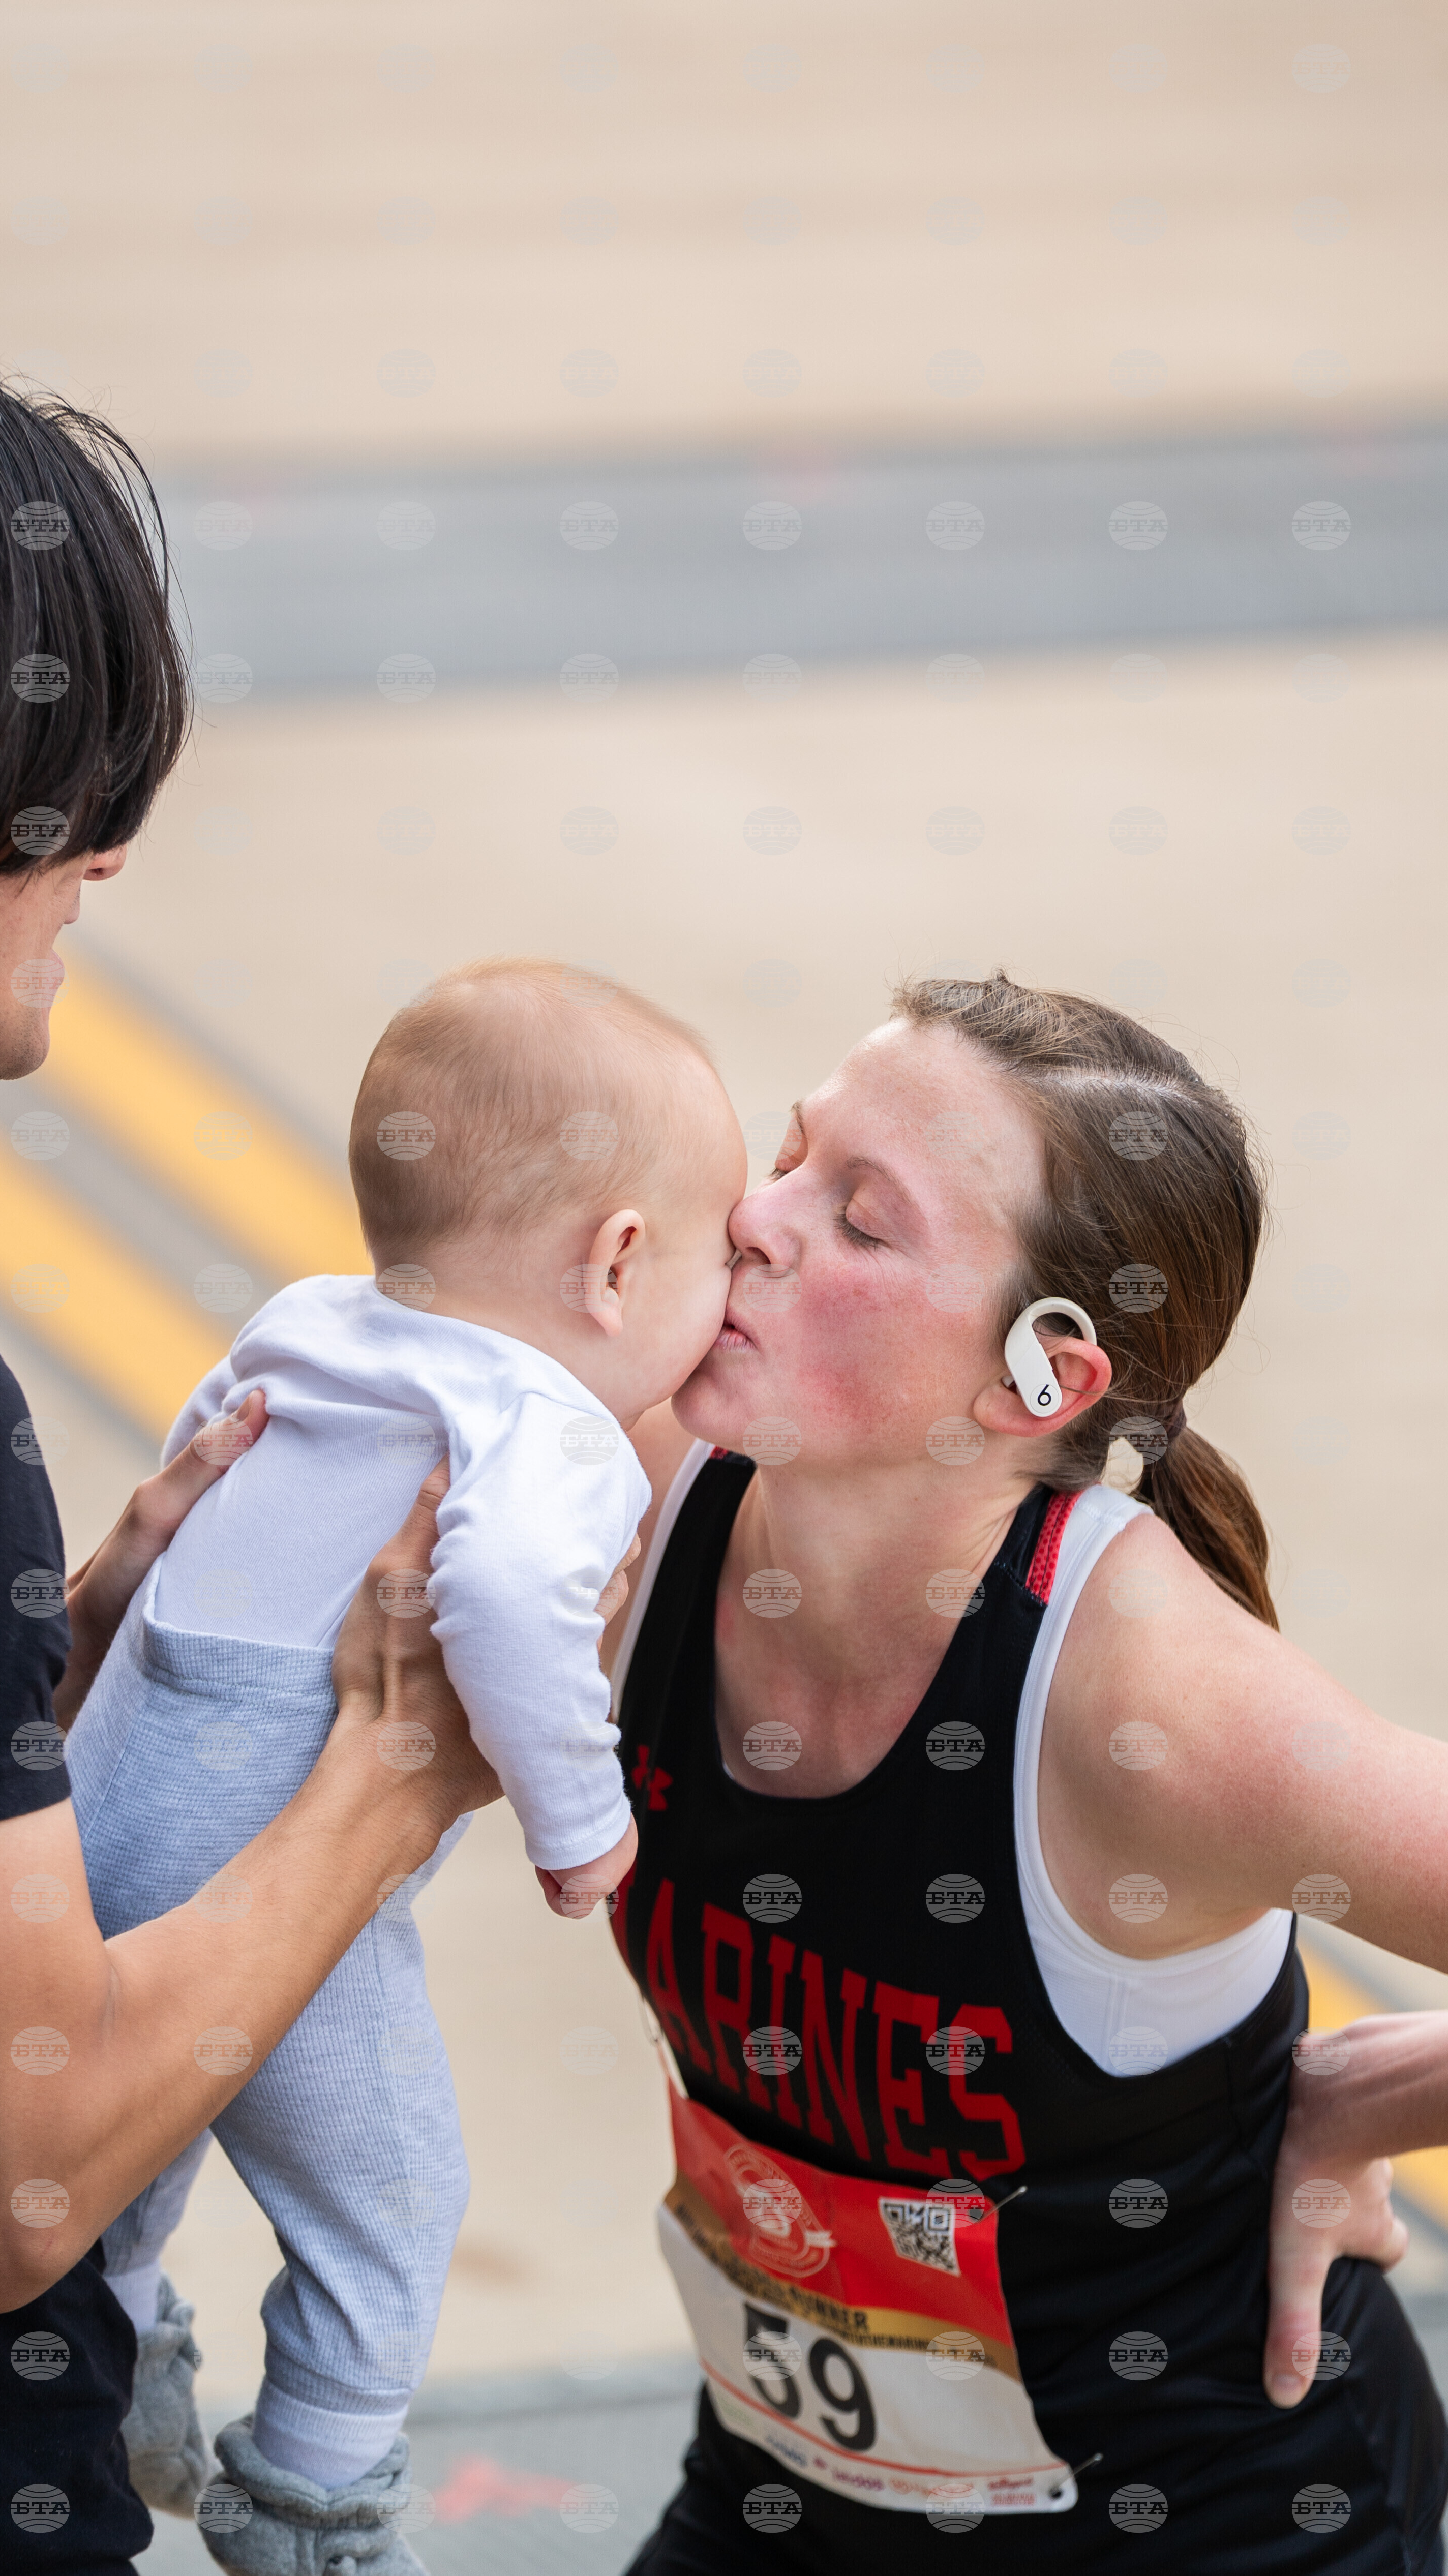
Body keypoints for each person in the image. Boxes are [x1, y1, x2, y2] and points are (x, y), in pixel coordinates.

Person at [0, 350, 492, 2574]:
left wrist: (19, 1669)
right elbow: (1, 2190)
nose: (114, 849)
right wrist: (386, 1772)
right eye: (83, 775)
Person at [591, 971, 1448, 2572]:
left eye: (859, 1217)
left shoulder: (1152, 1709)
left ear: (1037, 1382)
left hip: (1205, 2522)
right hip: (796, 2487)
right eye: (789, 1153)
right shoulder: (628, 1501)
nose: (754, 1220)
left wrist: (1367, 2098)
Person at [66, 957, 746, 2565]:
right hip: (269, 1851)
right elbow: (505, 1595)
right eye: (723, 1246)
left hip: (106, 1786)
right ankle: (316, 2491)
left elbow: (199, 1457)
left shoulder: (313, 1321)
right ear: (619, 1258)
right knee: (392, 2198)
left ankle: (100, 2356)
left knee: (120, 2123)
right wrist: (579, 1817)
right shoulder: (552, 1423)